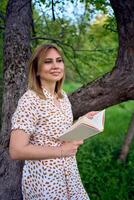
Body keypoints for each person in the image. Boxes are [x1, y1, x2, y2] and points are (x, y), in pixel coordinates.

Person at [9, 43, 96, 200]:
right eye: (48, 62)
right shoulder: (30, 100)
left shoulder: (62, 96)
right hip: (46, 182)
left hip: (69, 174)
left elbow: (56, 133)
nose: (56, 66)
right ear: (36, 70)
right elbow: (16, 150)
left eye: (59, 60)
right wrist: (62, 151)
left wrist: (82, 122)